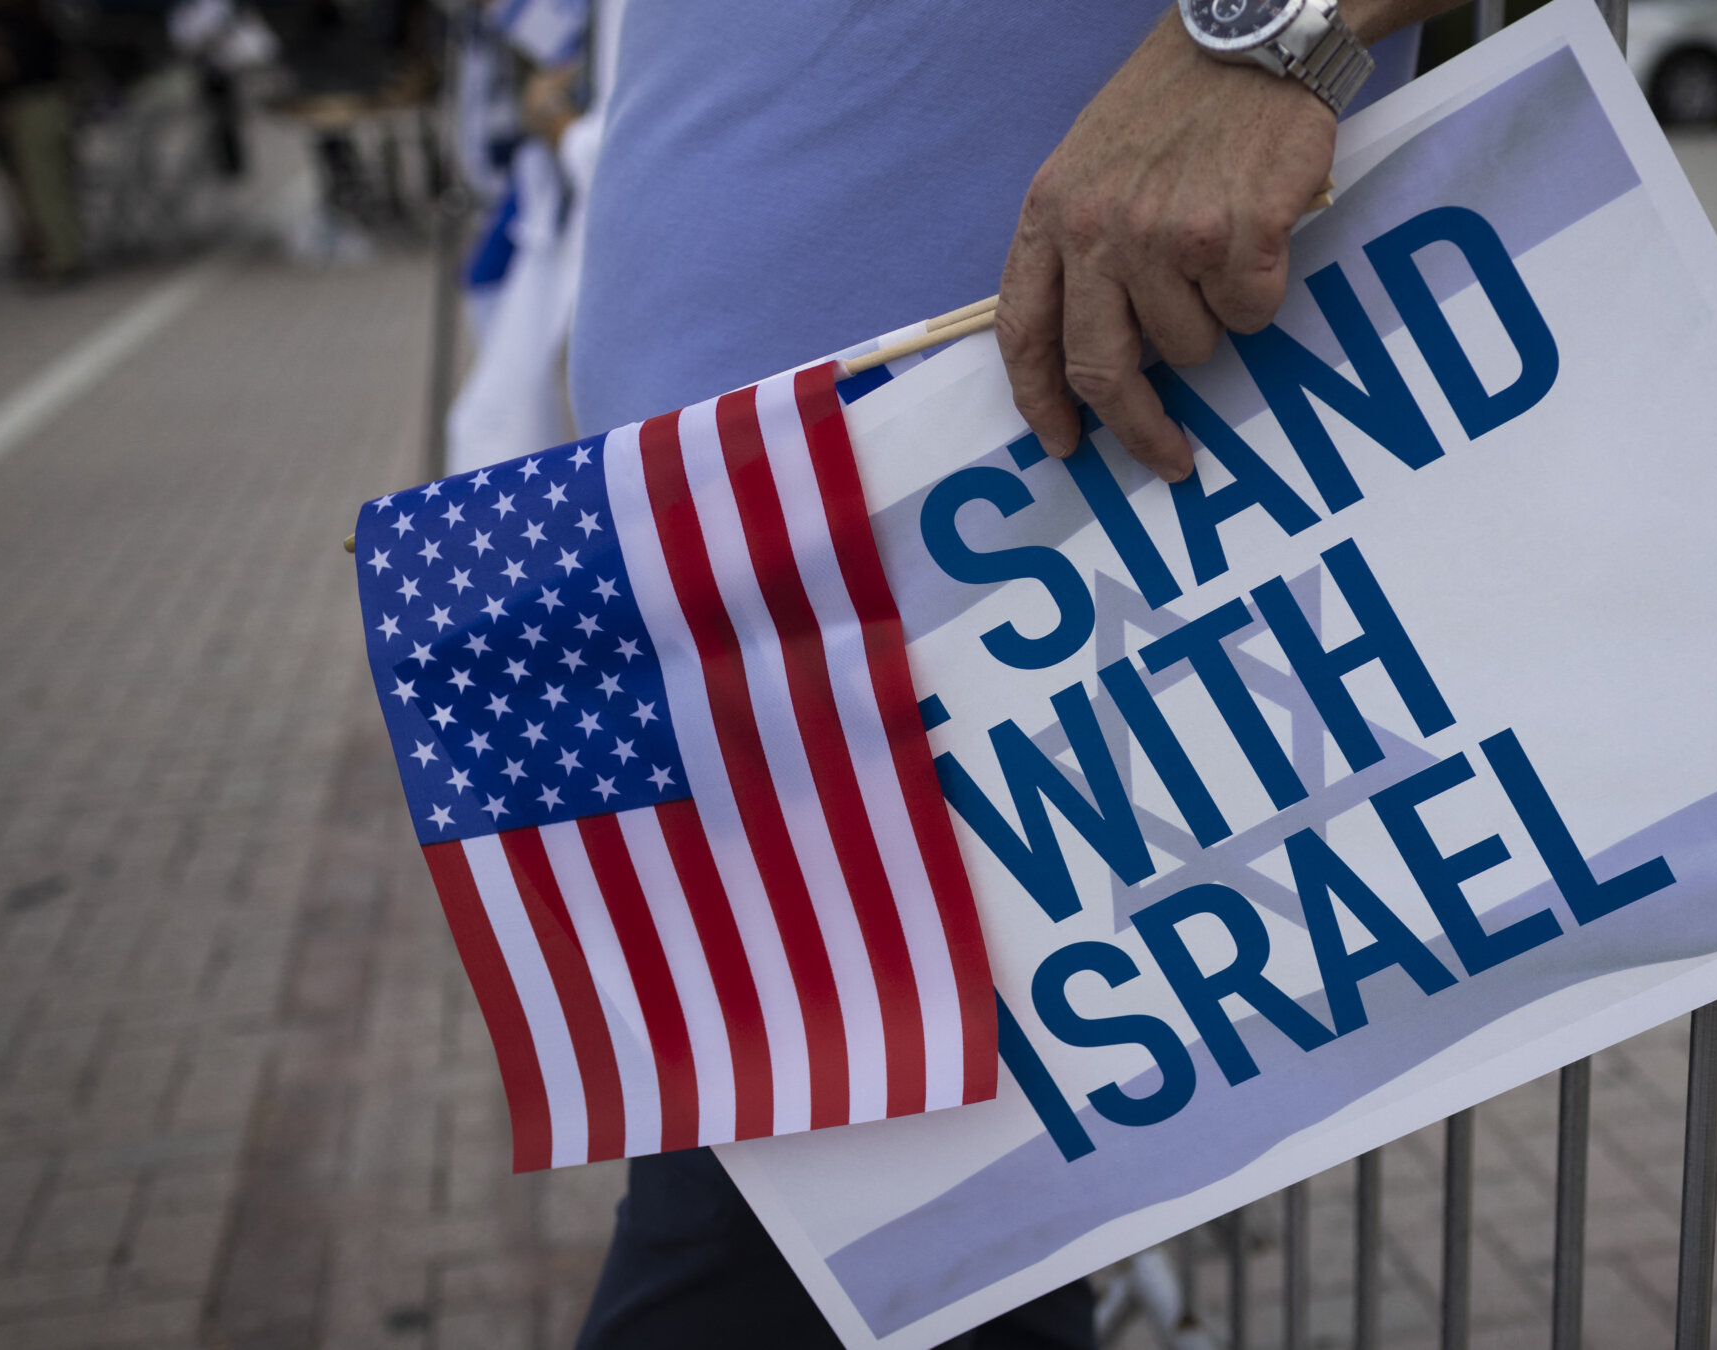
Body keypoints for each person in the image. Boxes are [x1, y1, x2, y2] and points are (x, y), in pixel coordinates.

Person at [567, 2, 1469, 1345]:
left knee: (797, 1269)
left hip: (1010, 558)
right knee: (919, 1266)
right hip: (747, 582)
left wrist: (1276, 34)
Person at [0, 0, 83, 283]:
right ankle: (57, 252)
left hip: (33, 106)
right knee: (48, 186)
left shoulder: (20, 24)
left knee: (47, 187)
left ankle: (63, 259)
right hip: (43, 104)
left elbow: (7, 67)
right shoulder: (36, 18)